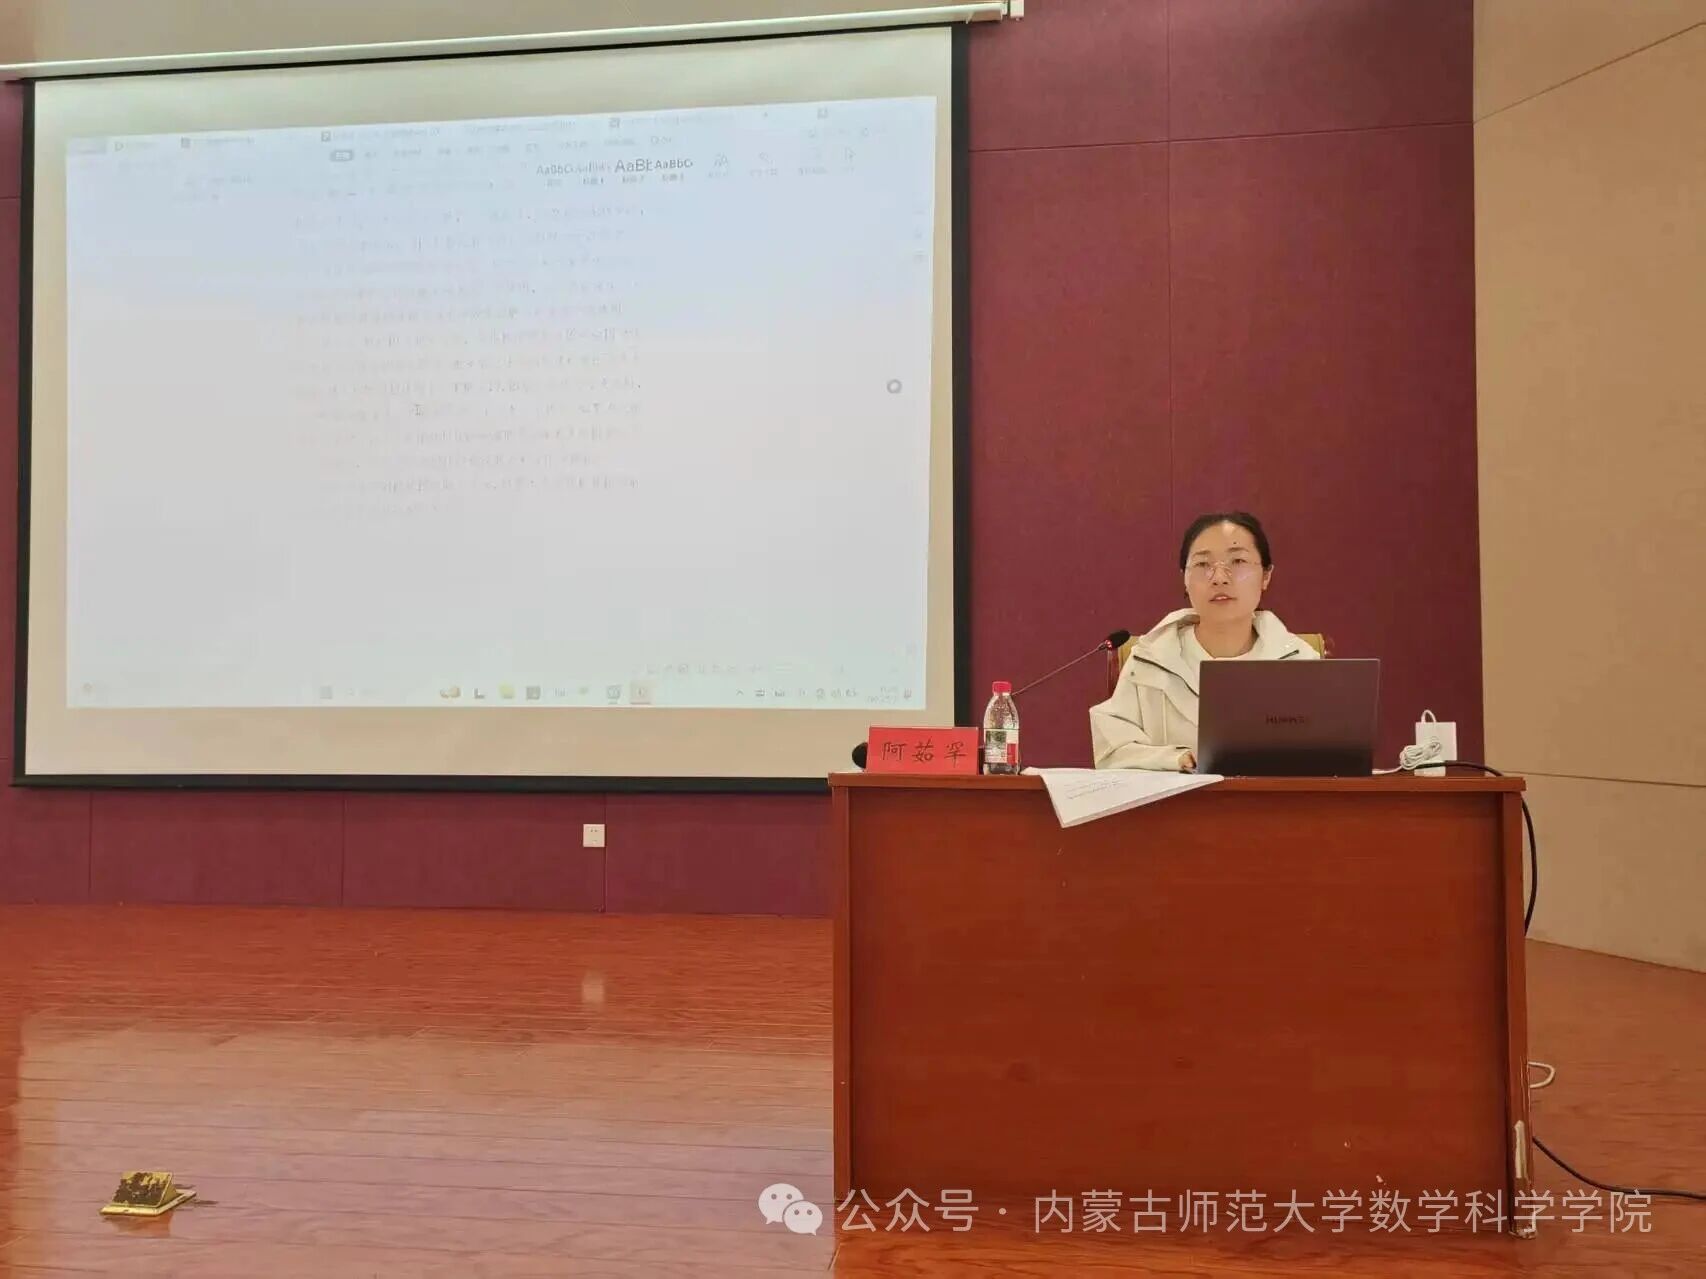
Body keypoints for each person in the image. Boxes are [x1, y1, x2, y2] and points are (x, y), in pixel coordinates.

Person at [1089, 511, 1319, 771]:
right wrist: (1176, 760)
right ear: (1185, 579)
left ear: (1266, 575)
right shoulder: (1151, 659)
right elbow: (1113, 751)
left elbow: (1325, 755)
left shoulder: (1301, 662)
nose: (1219, 577)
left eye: (1237, 561)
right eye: (1202, 564)